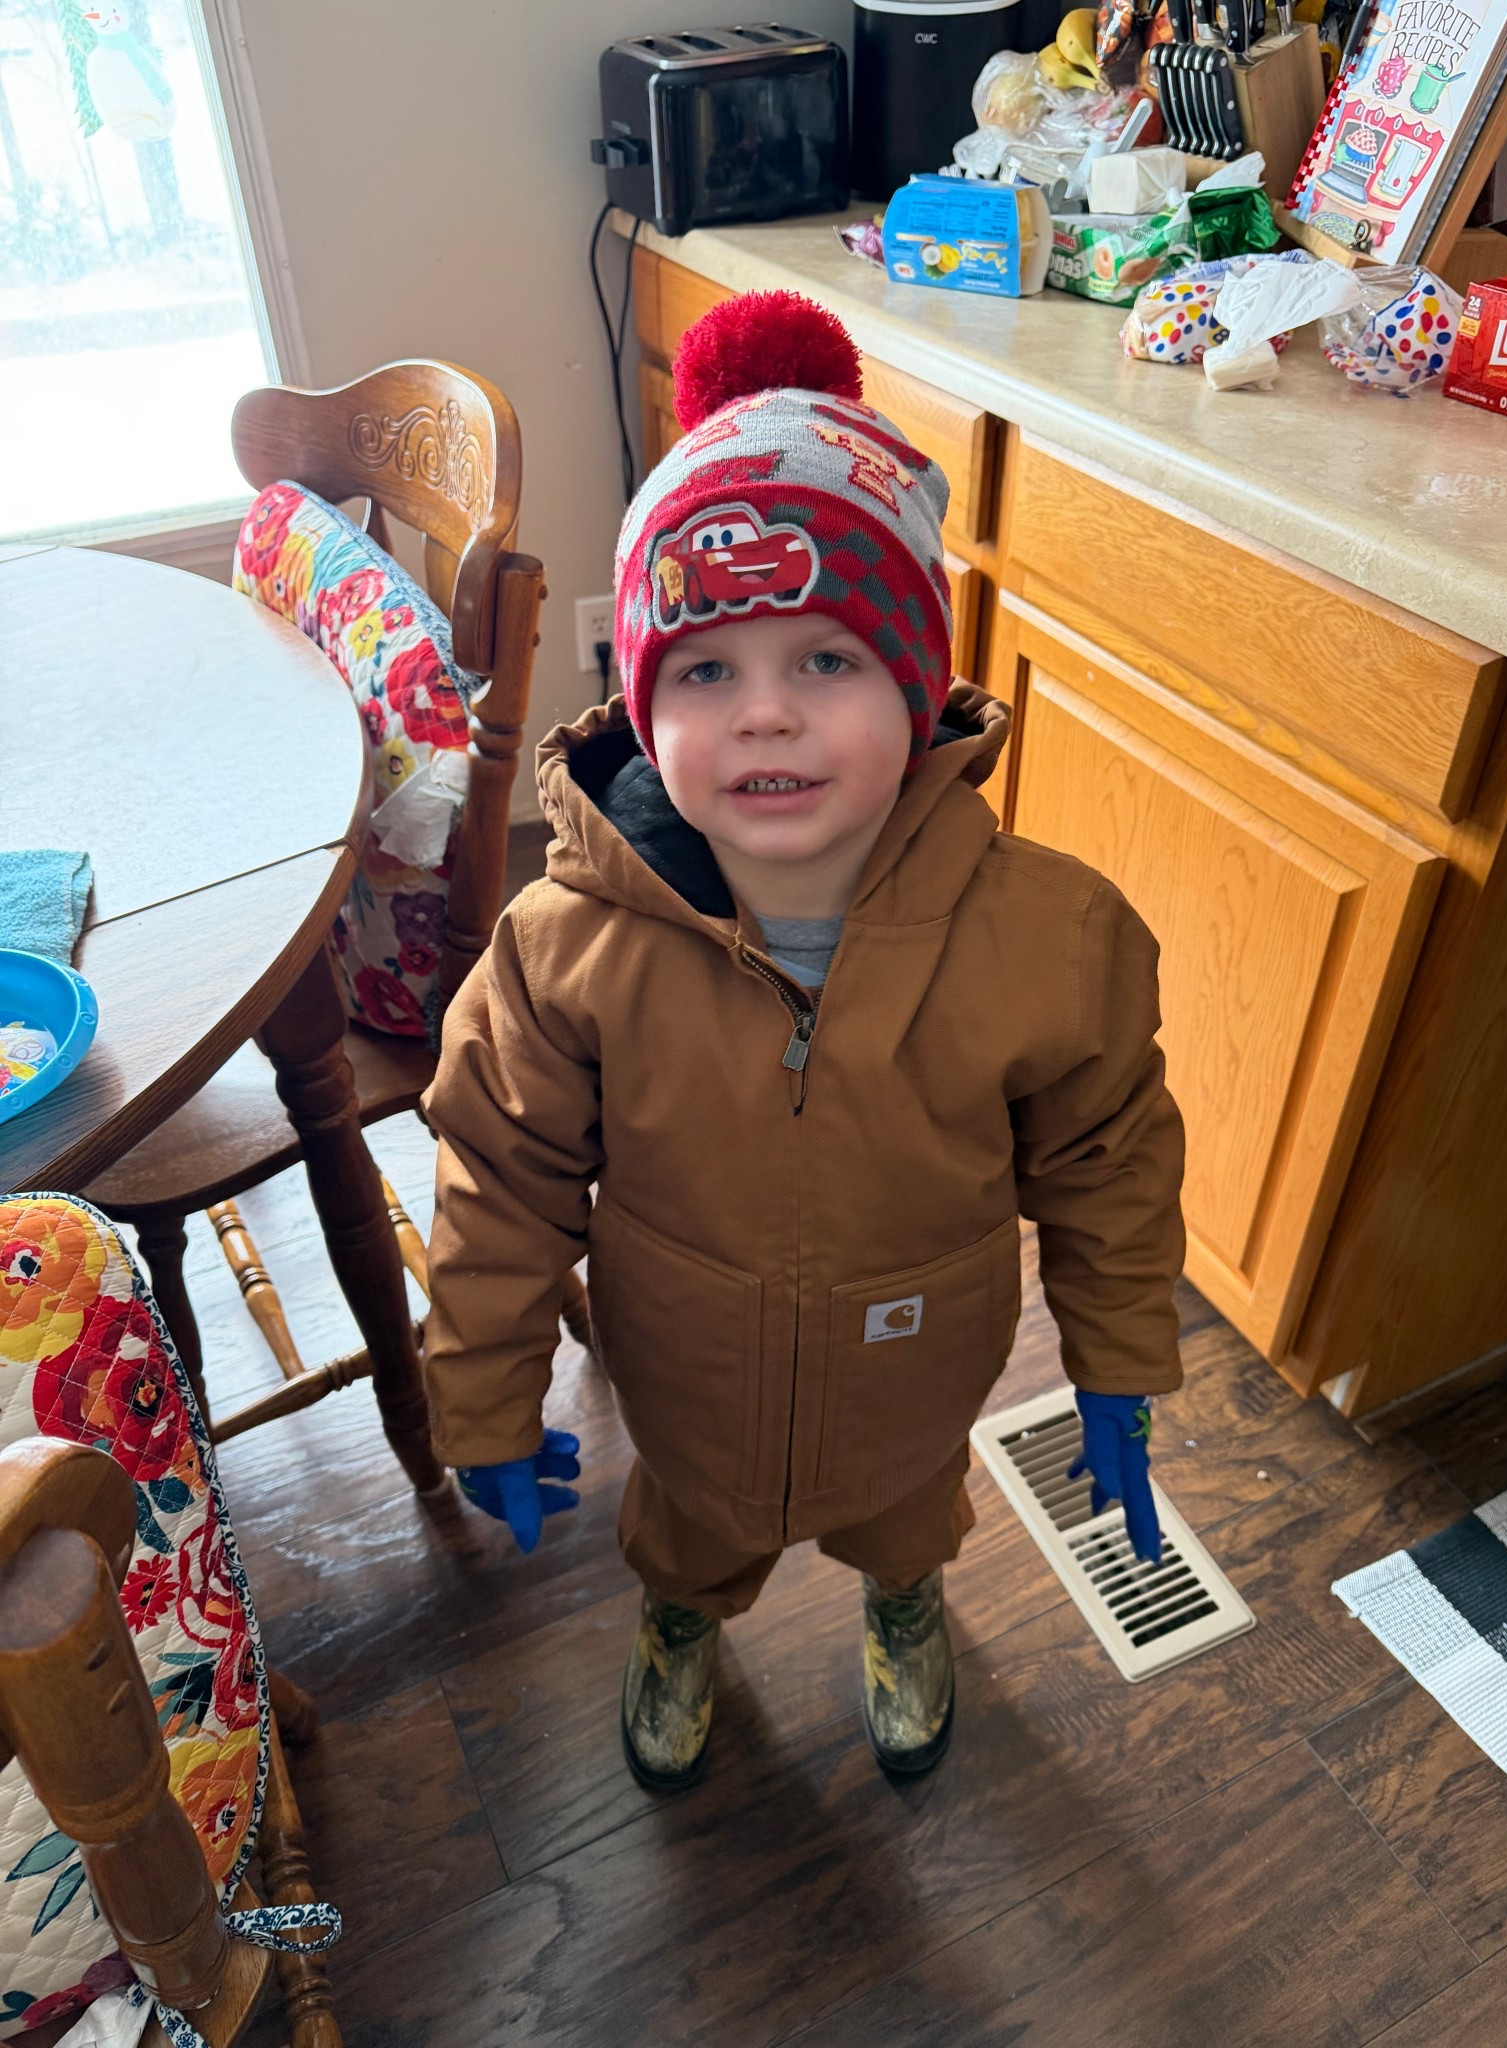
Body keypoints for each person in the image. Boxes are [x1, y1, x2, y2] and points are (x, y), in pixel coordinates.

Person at [423, 290, 1185, 1790]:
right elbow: (497, 1183)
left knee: (908, 1514)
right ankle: (682, 1622)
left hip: (918, 1372)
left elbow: (1110, 1165)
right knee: (690, 1532)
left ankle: (908, 1602)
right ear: (643, 709)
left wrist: (1118, 1362)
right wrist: (482, 1392)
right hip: (687, 1378)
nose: (765, 716)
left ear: (917, 681)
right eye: (707, 671)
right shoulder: (565, 943)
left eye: (827, 661)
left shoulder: (1053, 936)